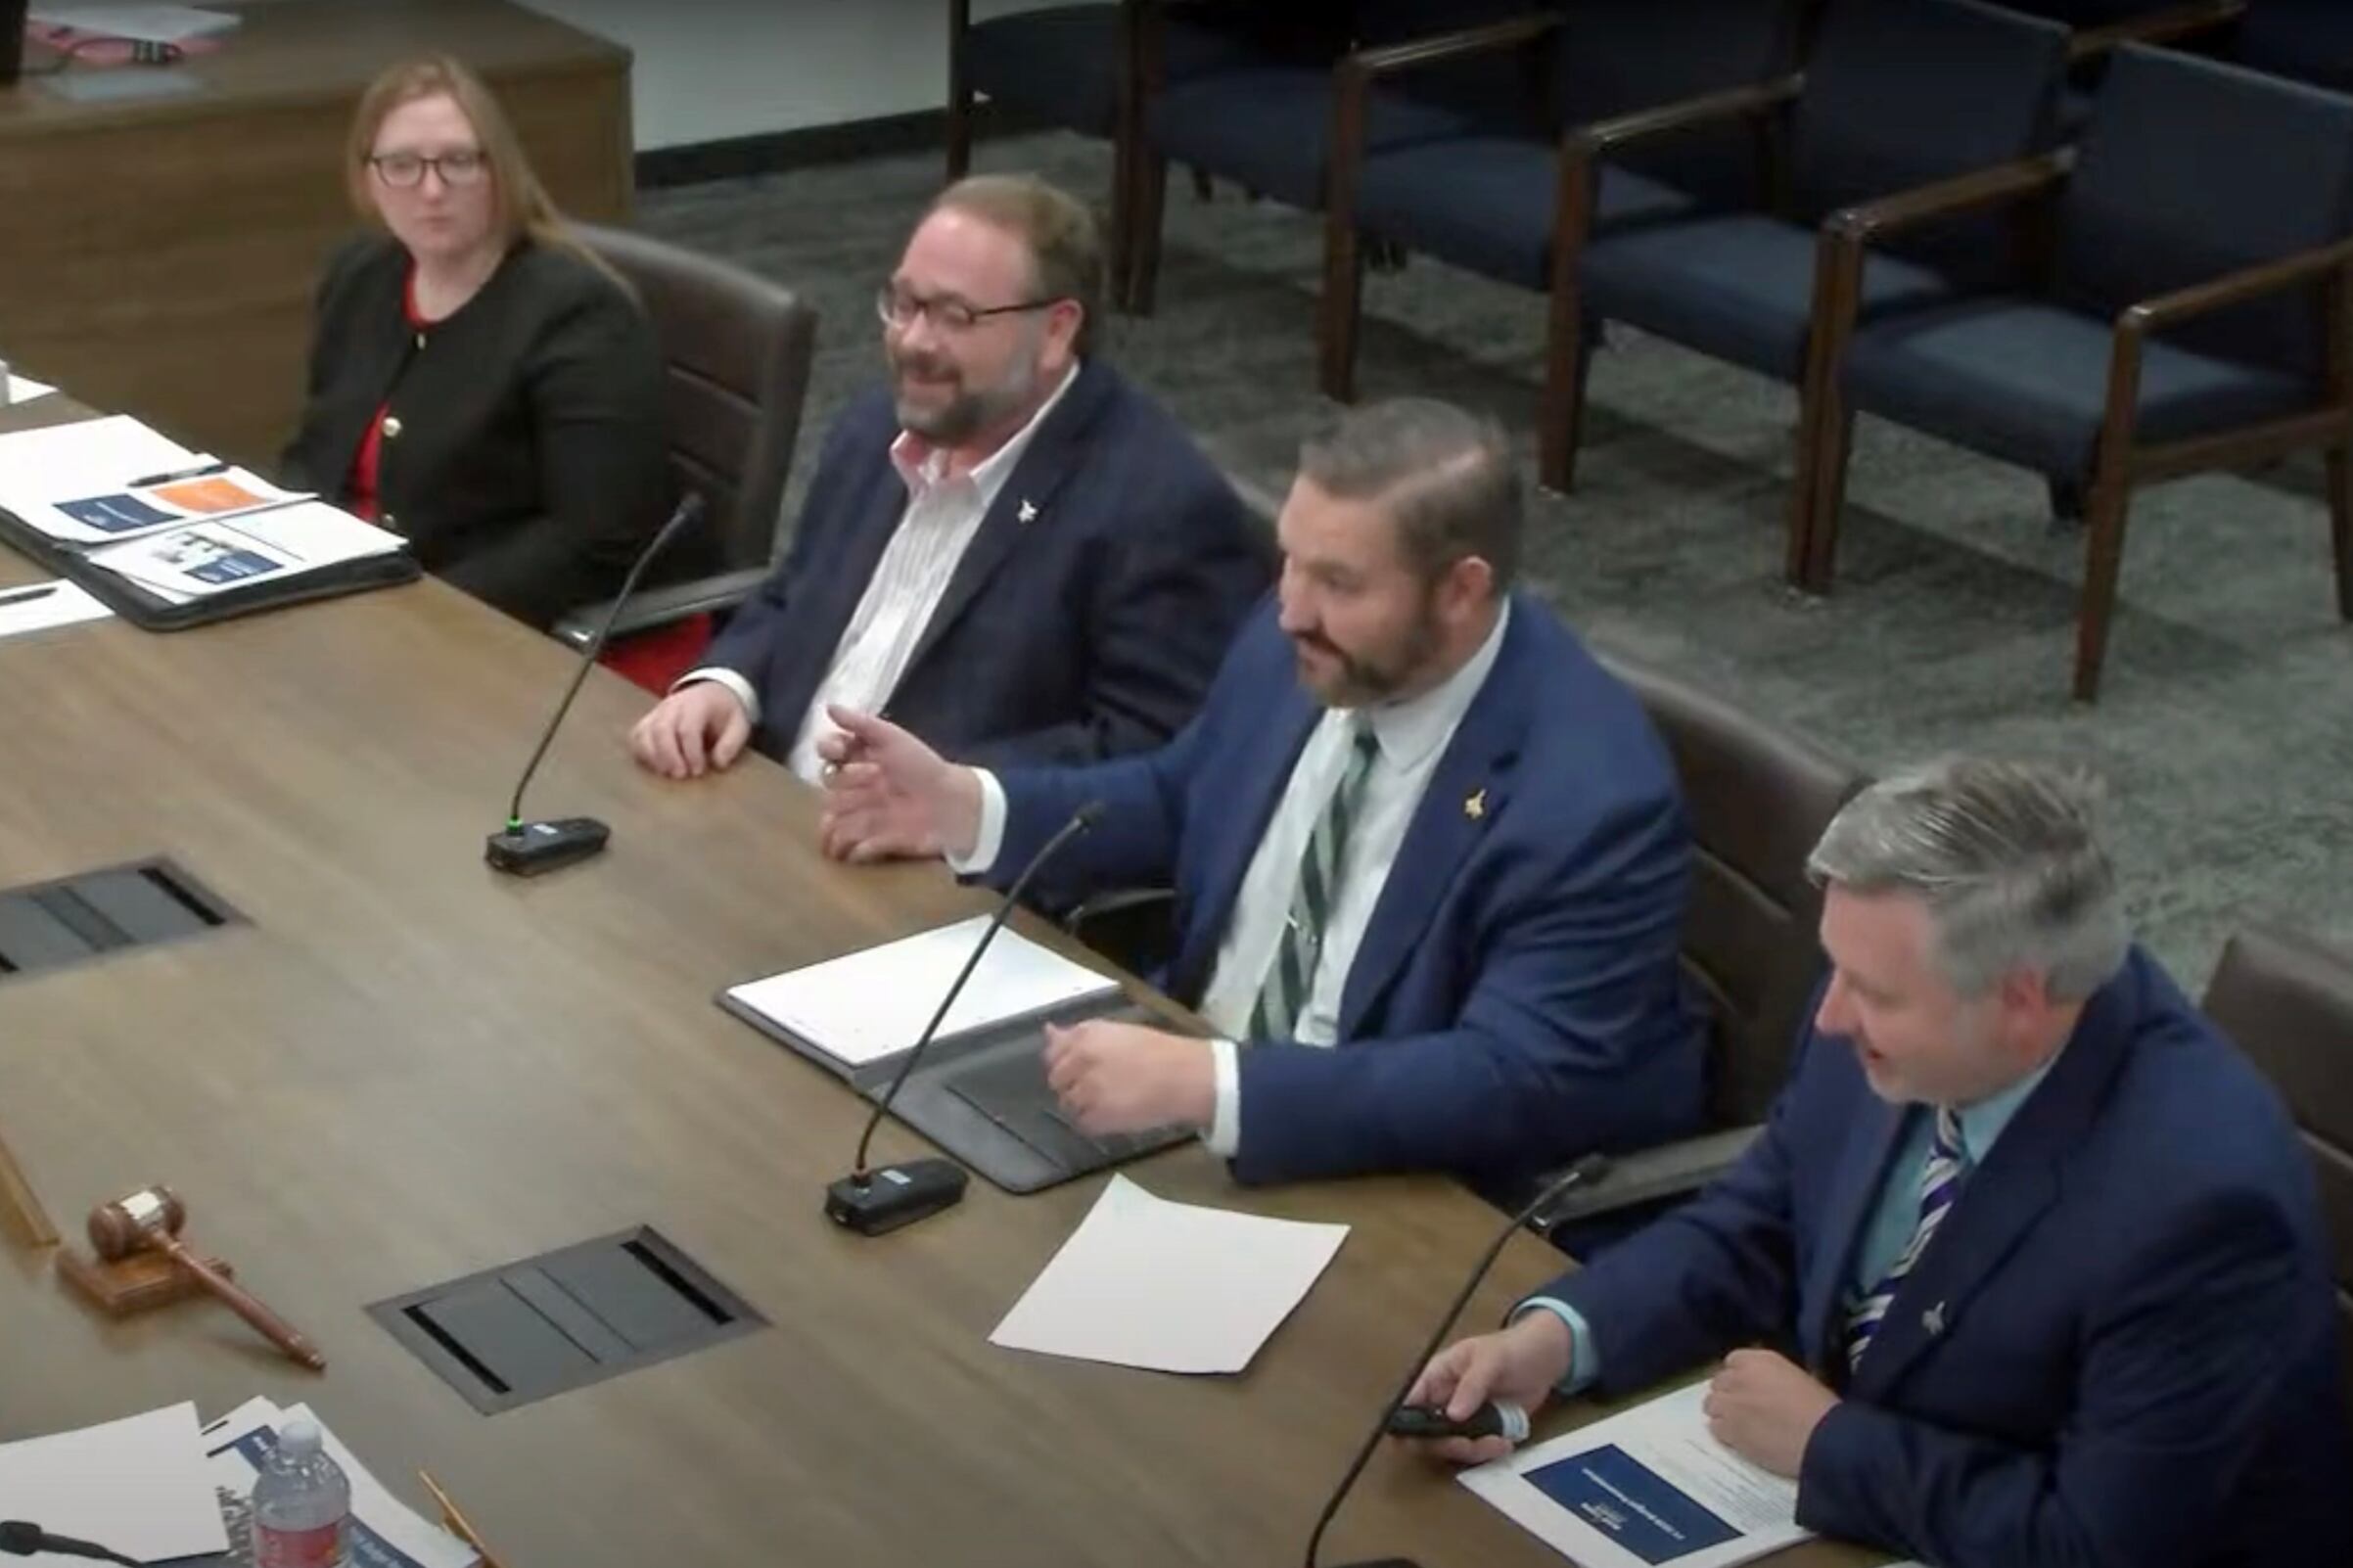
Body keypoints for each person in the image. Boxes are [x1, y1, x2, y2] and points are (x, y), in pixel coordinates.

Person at [1407, 759, 2353, 1567]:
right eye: (1836, 969)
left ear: (2022, 1001)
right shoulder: (1900, 997)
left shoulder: (2197, 1205)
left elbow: (2095, 1544)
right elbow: (1766, 1217)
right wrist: (1566, 1338)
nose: (1827, 1018)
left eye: (1871, 991)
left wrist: (1830, 1448)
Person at [812, 398, 1702, 1201]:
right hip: (1174, 1105)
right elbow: (1183, 796)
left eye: (1339, 584)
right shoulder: (1310, 646)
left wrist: (1218, 1087)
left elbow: (1512, 1080)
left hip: (1385, 1184)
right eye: (1290, 562)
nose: (1288, 610)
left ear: (1461, 590)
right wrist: (969, 809)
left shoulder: (1592, 799)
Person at [627, 174, 1269, 784]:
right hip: (764, 803)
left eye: (954, 316)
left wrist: (949, 794)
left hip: (931, 872)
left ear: (1056, 332)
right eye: (903, 304)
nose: (913, 341)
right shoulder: (874, 427)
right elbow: (794, 594)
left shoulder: (1157, 509)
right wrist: (726, 682)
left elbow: (1153, 753)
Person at [282, 55, 674, 630]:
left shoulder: (578, 312)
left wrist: (411, 611)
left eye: (460, 162)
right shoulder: (361, 273)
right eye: (402, 165)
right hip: (356, 599)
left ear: (501, 170)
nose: (432, 189)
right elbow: (314, 454)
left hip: (500, 622)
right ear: (368, 176)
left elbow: (596, 541)